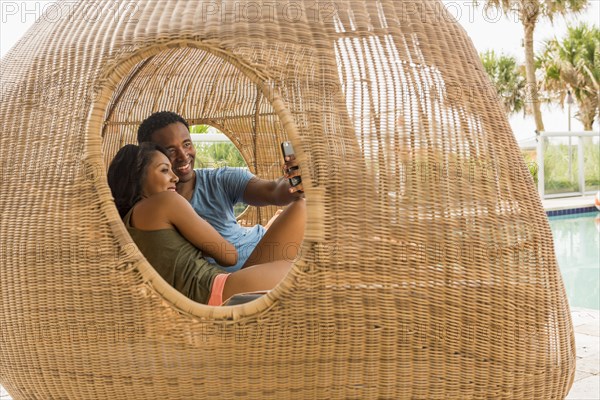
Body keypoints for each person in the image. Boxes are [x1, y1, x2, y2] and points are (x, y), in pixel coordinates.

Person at [107, 143, 305, 306]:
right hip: (216, 293)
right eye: (164, 170)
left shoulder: (127, 223)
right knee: (311, 271)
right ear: (138, 176)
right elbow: (228, 255)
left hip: (213, 292)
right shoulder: (166, 201)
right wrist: (201, 224)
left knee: (299, 207)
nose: (174, 177)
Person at [137, 111, 305, 271]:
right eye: (171, 150)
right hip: (244, 278)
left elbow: (273, 191)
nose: (183, 155)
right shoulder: (149, 211)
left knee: (303, 206)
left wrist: (295, 182)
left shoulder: (221, 179)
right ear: (152, 156)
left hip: (266, 250)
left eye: (187, 144)